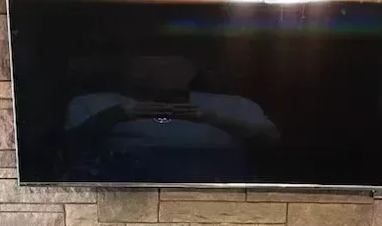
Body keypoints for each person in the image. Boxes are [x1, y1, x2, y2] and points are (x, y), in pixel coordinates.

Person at [62, 54, 279, 182]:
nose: (158, 67)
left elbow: (271, 144)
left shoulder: (232, 104)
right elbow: (66, 150)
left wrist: (212, 119)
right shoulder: (93, 103)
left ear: (192, 66)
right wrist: (118, 116)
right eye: (147, 57)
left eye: (170, 59)